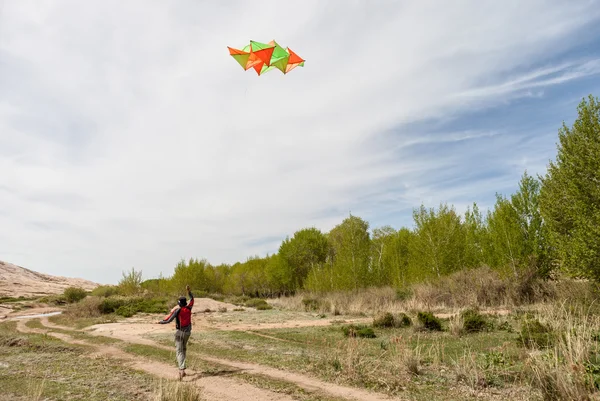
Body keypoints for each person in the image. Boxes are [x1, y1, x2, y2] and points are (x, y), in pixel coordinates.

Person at [157, 285, 194, 380]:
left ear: (179, 304)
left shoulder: (178, 311)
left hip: (180, 333)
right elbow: (192, 298)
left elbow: (168, 320)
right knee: (184, 349)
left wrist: (160, 322)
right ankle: (183, 370)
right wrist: (189, 291)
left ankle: (181, 370)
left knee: (179, 351)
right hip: (188, 333)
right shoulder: (189, 308)